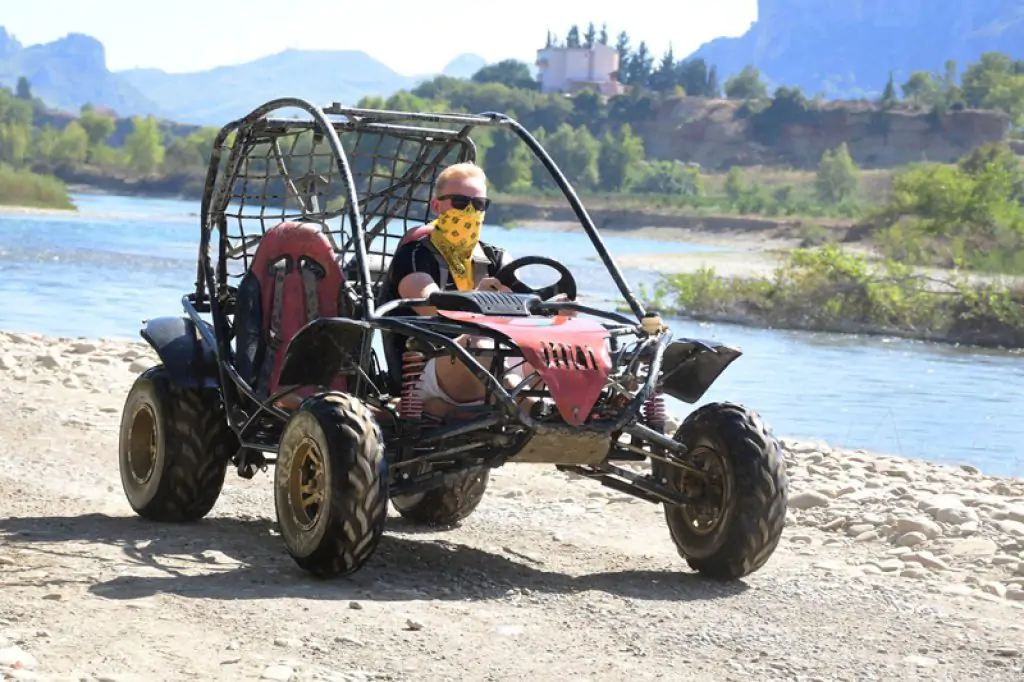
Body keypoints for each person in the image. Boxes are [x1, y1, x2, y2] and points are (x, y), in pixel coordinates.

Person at [378, 162, 557, 416]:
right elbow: (428, 304)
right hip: (428, 367)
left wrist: (556, 307)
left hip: (492, 362)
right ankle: (528, 410)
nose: (471, 212)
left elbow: (531, 301)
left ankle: (591, 408)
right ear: (437, 206)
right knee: (480, 344)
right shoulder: (415, 254)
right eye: (461, 203)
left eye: (479, 205)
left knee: (560, 345)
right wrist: (478, 299)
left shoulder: (494, 258)